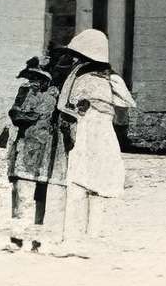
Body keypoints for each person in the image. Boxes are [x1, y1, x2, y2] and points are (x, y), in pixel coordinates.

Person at [54, 27, 137, 252]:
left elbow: (64, 106)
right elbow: (125, 105)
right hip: (103, 134)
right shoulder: (110, 78)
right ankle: (94, 235)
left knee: (78, 183)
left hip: (84, 132)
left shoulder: (78, 74)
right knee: (98, 184)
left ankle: (72, 237)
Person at [0, 52, 67, 251]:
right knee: (23, 193)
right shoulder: (28, 90)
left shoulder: (60, 93)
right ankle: (18, 237)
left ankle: (35, 239)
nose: (34, 81)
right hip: (28, 146)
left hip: (48, 149)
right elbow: (15, 113)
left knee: (40, 194)